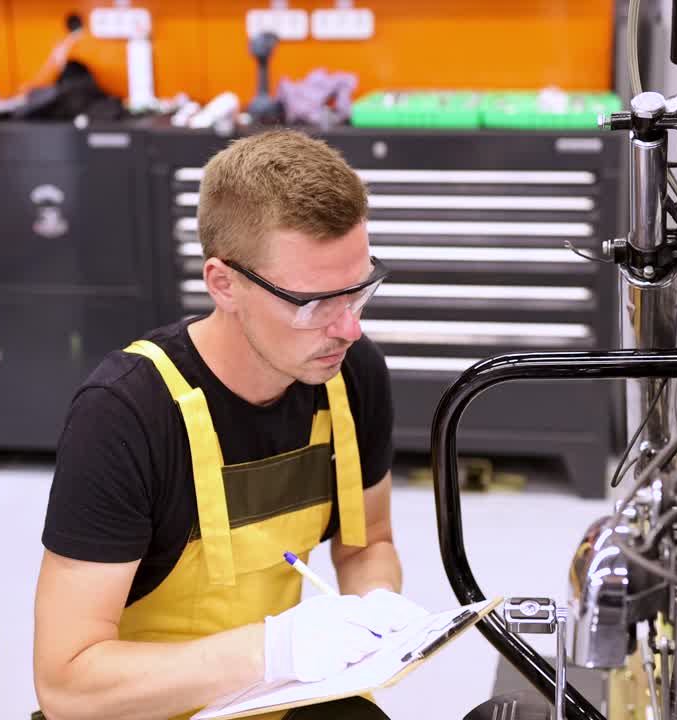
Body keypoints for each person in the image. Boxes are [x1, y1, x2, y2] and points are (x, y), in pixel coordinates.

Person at [32, 129, 426, 720]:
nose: (349, 329)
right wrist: (273, 650)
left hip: (280, 697)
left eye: (360, 291)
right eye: (315, 303)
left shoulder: (350, 375)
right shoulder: (124, 416)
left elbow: (367, 542)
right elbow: (66, 685)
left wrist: (375, 611)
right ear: (224, 284)